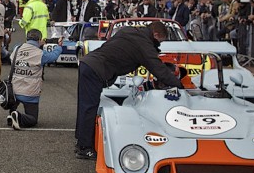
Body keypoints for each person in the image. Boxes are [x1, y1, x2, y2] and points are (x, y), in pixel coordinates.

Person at [75, 20, 184, 160]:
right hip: (97, 69)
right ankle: (85, 148)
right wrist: (180, 86)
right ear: (155, 34)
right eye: (160, 41)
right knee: (89, 107)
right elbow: (158, 69)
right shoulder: (144, 44)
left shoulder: (129, 31)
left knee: (85, 106)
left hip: (89, 64)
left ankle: (81, 141)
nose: (159, 45)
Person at [5, 29, 63, 129]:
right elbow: (53, 56)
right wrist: (59, 47)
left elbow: (18, 50)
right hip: (30, 92)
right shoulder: (40, 54)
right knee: (32, 119)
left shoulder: (17, 48)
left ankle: (12, 113)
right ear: (39, 40)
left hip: (13, 90)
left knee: (15, 101)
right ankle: (18, 117)